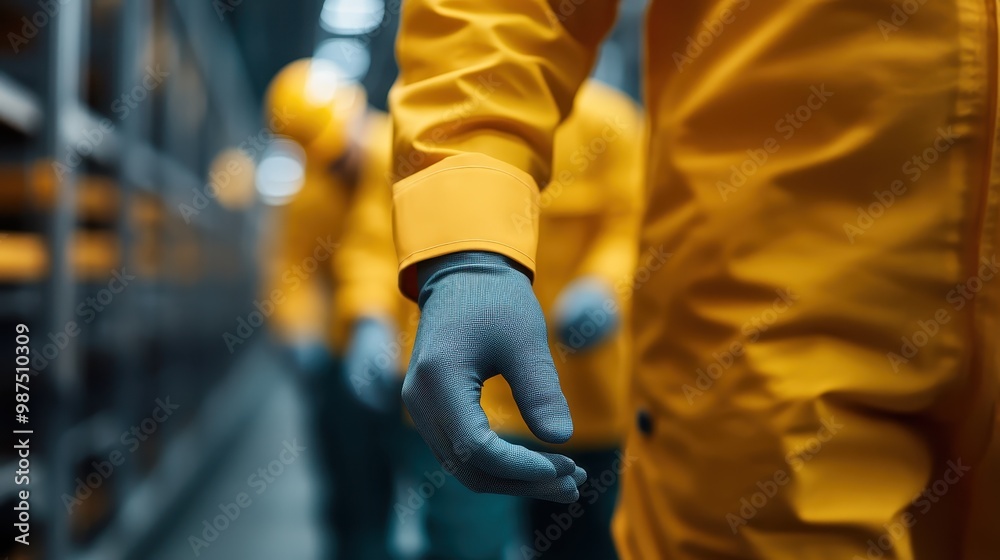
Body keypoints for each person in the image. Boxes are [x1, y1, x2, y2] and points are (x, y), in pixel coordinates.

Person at [386, 1, 1000, 559]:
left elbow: (619, 219)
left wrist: (599, 285)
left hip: (636, 380)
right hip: (767, 340)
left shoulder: (613, 131)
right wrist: (467, 244)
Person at [343, 78, 644, 559]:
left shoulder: (613, 125)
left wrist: (606, 286)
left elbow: (632, 223)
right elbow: (376, 244)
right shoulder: (422, 127)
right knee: (464, 541)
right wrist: (369, 318)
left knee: (582, 542)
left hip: (580, 397)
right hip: (457, 388)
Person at [263, 57, 398, 560]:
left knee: (453, 504)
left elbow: (376, 246)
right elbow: (290, 271)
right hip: (349, 360)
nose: (337, 160)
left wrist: (375, 320)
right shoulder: (310, 194)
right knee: (351, 494)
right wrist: (299, 333)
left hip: (426, 352)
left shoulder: (407, 154)